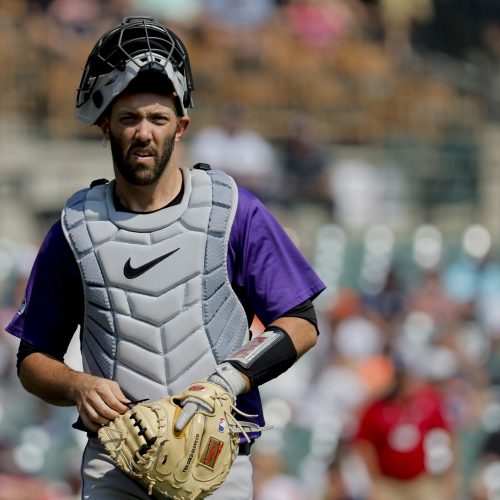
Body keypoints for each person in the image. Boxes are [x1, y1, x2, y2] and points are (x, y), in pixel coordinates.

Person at [5, 15, 325, 500]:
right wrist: (76, 386)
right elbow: (33, 359)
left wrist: (226, 381)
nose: (144, 133)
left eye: (158, 118)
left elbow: (301, 321)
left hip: (217, 462)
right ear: (105, 124)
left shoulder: (233, 209)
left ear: (182, 125)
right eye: (129, 118)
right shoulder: (74, 229)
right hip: (115, 463)